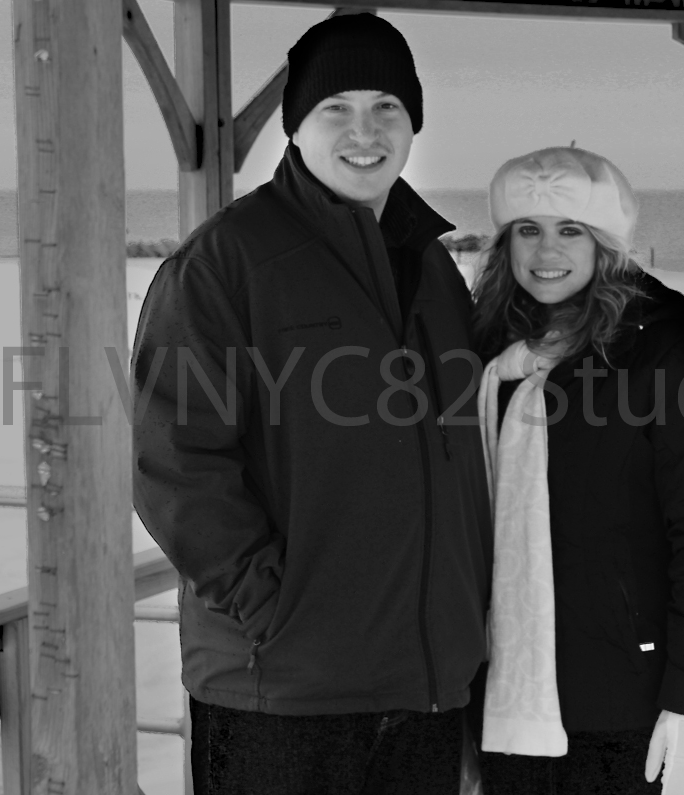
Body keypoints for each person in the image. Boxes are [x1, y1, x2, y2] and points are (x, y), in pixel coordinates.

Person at [131, 13, 492, 794]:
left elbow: (459, 451)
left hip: (424, 684)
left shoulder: (431, 268)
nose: (365, 131)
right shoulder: (226, 262)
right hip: (283, 694)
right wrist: (278, 609)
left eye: (387, 108)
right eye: (337, 108)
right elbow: (175, 461)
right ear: (295, 128)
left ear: (412, 123)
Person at [470, 147, 684, 795]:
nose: (546, 250)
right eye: (527, 229)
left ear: (606, 243)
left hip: (621, 698)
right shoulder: (488, 348)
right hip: (499, 692)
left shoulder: (662, 346)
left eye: (570, 229)